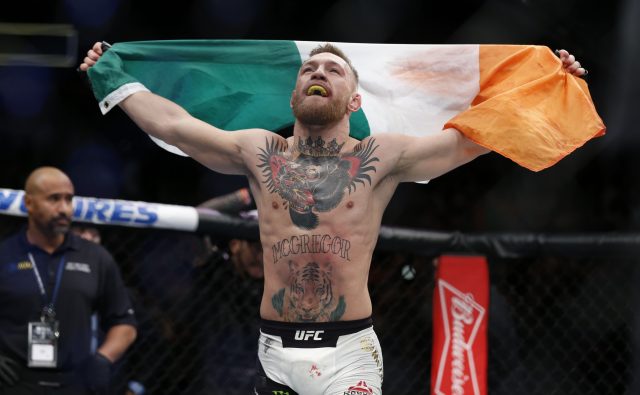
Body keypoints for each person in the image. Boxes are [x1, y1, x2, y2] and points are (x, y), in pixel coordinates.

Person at [80, 43, 586, 394]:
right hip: (273, 349)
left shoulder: (382, 156)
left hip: (348, 354)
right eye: (309, 70)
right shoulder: (258, 151)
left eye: (333, 70)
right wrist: (116, 78)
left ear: (355, 100)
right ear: (294, 94)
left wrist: (545, 87)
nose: (318, 73)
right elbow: (175, 124)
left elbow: (469, 139)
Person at [0, 167, 137, 394]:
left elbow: (124, 322)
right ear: (29, 203)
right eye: (54, 199)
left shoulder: (95, 257)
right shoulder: (4, 255)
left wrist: (103, 358)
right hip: (13, 382)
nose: (64, 208)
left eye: (69, 199)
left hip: (75, 383)